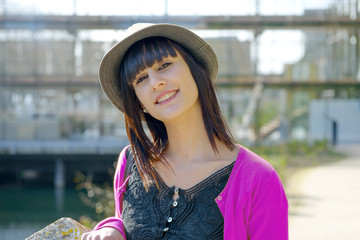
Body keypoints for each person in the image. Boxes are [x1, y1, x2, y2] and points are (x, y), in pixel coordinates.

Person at [81, 23, 288, 240]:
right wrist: (112, 227)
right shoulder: (131, 163)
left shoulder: (258, 179)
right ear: (138, 101)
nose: (155, 82)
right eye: (141, 79)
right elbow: (124, 220)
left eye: (164, 65)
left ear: (196, 70)